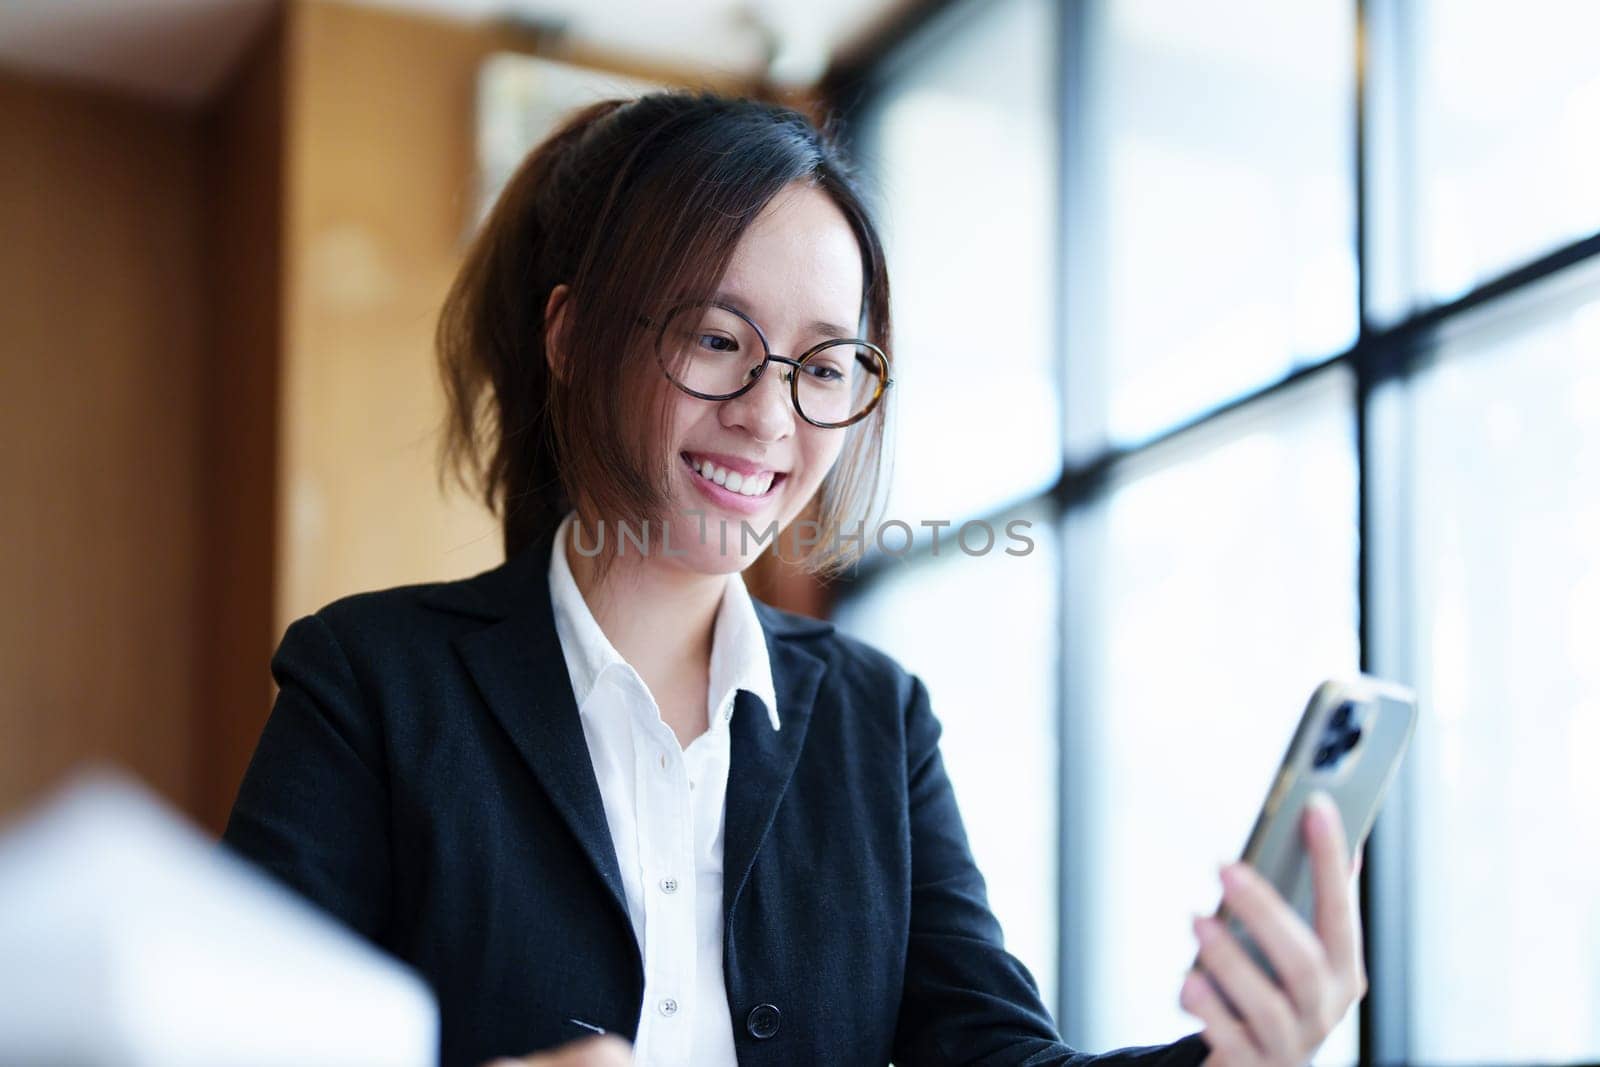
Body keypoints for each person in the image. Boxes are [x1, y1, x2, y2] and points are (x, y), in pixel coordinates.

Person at [221, 90, 1366, 1067]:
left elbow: (993, 1054)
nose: (769, 416)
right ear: (569, 338)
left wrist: (1229, 1056)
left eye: (825, 363)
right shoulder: (370, 680)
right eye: (717, 338)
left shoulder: (877, 717)